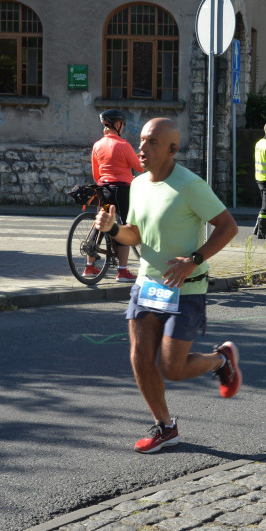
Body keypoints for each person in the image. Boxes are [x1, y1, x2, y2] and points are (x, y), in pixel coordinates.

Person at [94, 117, 241, 453]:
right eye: (142, 140)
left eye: (153, 143)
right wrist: (114, 229)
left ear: (173, 149)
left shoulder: (190, 185)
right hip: (148, 285)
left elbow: (228, 227)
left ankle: (221, 360)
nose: (142, 148)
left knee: (172, 368)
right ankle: (165, 427)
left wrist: (195, 260)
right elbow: (136, 234)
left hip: (185, 289)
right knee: (139, 358)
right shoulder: (139, 184)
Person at [88, 109, 144, 282]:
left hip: (104, 190)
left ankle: (89, 267)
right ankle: (123, 270)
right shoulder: (123, 145)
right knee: (125, 226)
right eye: (122, 124)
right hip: (121, 190)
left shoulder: (97, 145)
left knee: (101, 222)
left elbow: (96, 174)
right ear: (117, 125)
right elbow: (139, 167)